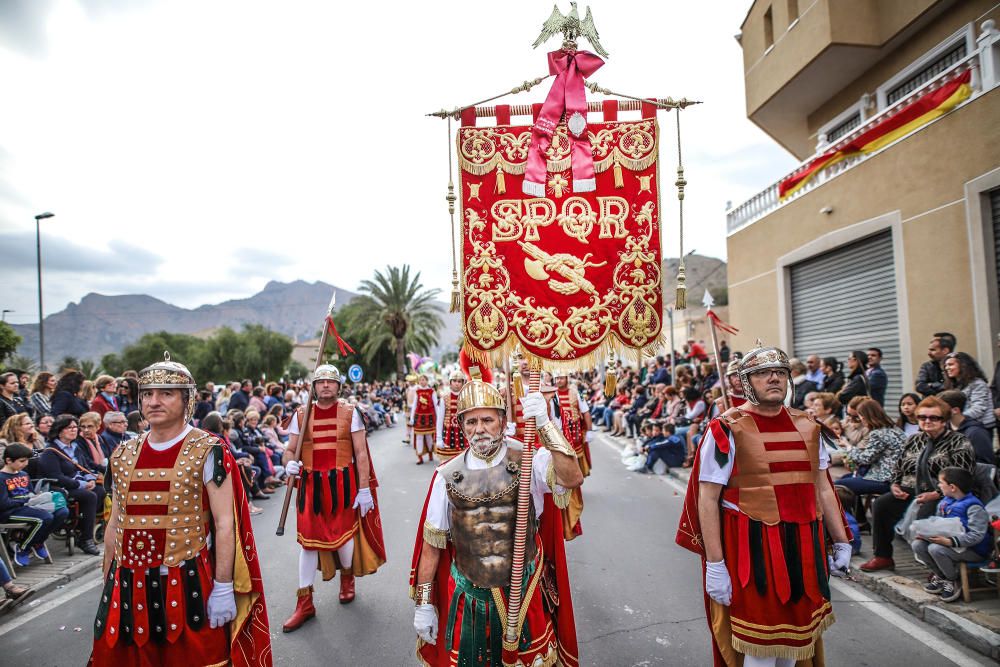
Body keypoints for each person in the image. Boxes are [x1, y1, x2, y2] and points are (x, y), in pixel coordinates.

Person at [89, 353, 271, 666]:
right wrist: (109, 580)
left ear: (186, 400)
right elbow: (115, 524)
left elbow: (225, 524)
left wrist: (224, 587)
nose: (153, 401)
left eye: (165, 393)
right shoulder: (123, 454)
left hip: (187, 587)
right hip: (129, 585)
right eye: (147, 394)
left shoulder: (207, 450)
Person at [676, 341, 851, 666]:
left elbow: (823, 489)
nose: (774, 379)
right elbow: (708, 499)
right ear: (747, 382)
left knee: (795, 646)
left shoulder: (808, 426)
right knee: (759, 649)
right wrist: (715, 565)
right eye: (763, 374)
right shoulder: (726, 429)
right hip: (752, 554)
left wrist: (841, 541)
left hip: (804, 552)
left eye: (780, 373)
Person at [409, 377, 583, 666]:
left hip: (524, 589)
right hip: (470, 595)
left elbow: (572, 477)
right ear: (462, 426)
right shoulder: (446, 475)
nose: (479, 429)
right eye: (471, 421)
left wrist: (544, 423)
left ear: (503, 422)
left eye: (487, 420)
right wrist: (424, 604)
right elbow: (432, 545)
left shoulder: (529, 458)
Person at [280, 364, 386, 632]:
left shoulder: (351, 413)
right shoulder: (301, 414)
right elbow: (290, 450)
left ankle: (347, 578)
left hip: (342, 485)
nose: (325, 385)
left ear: (339, 386)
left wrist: (363, 489)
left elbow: (361, 453)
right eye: (320, 381)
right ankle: (304, 603)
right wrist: (289, 464)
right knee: (307, 543)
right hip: (310, 487)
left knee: (344, 536)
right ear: (313, 387)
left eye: (330, 381)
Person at [860, 396, 976, 572]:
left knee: (926, 512)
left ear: (944, 420)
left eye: (933, 418)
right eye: (922, 417)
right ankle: (883, 556)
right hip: (911, 490)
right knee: (882, 505)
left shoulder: (959, 442)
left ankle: (936, 568)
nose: (927, 421)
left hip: (944, 494)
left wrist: (936, 493)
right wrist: (895, 485)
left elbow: (962, 477)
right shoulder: (914, 440)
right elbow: (898, 467)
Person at [912, 467, 992, 602]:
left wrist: (950, 542)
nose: (938, 485)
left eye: (941, 483)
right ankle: (941, 576)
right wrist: (927, 534)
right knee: (918, 545)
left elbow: (977, 535)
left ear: (952, 487)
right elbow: (938, 524)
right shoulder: (944, 503)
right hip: (950, 545)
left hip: (973, 550)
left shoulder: (973, 507)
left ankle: (953, 580)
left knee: (935, 549)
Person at [38, 415, 104, 555]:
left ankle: (81, 528)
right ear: (59, 430)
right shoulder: (51, 451)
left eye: (75, 427)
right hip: (62, 487)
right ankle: (86, 539)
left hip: (80, 483)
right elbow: (55, 476)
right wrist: (80, 484)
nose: (74, 430)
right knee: (89, 496)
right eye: (69, 428)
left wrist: (90, 479)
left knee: (101, 490)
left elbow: (84, 466)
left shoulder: (75, 447)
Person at [0, 443, 70, 566]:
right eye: (22, 461)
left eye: (27, 460)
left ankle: (38, 541)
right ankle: (23, 547)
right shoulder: (1, 478)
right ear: (8, 460)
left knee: (62, 511)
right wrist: (26, 500)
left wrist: (38, 497)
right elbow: (4, 503)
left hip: (28, 507)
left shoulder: (23, 475)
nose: (26, 464)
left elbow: (30, 492)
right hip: (9, 512)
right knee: (44, 518)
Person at [835, 399, 906, 509]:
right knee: (847, 478)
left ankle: (851, 520)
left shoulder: (877, 434)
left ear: (865, 416)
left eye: (860, 416)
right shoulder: (896, 430)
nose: (861, 420)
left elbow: (865, 458)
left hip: (884, 479)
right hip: (896, 477)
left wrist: (847, 446)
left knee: (839, 485)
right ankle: (860, 519)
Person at [939, 390, 995, 465]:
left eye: (941, 408)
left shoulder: (976, 433)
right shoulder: (944, 428)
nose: (937, 411)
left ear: (955, 410)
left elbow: (986, 464)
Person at [944, 351, 996, 431]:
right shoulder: (954, 385)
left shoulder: (978, 384)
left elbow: (978, 409)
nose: (947, 368)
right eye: (946, 365)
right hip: (962, 425)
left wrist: (955, 417)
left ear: (963, 366)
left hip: (980, 427)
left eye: (951, 364)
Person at [434, 370, 468, 463]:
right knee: (446, 464)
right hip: (448, 435)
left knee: (464, 463)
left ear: (463, 383)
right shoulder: (444, 398)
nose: (457, 384)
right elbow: (440, 420)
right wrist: (439, 438)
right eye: (454, 381)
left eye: (459, 381)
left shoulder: (467, 398)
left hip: (464, 435)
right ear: (450, 382)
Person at [409, 374, 438, 465]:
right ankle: (420, 457)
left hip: (429, 417)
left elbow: (436, 404)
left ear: (427, 381)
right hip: (419, 417)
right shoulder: (417, 392)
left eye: (424, 380)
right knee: (419, 437)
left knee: (429, 436)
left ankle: (430, 454)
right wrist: (411, 417)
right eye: (421, 380)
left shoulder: (432, 391)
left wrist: (438, 418)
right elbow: (414, 405)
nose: (422, 381)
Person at [916, 333, 955, 397]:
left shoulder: (958, 364)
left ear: (945, 350)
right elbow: (919, 386)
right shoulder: (927, 366)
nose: (929, 353)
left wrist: (931, 385)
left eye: (933, 350)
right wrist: (941, 390)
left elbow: (955, 387)